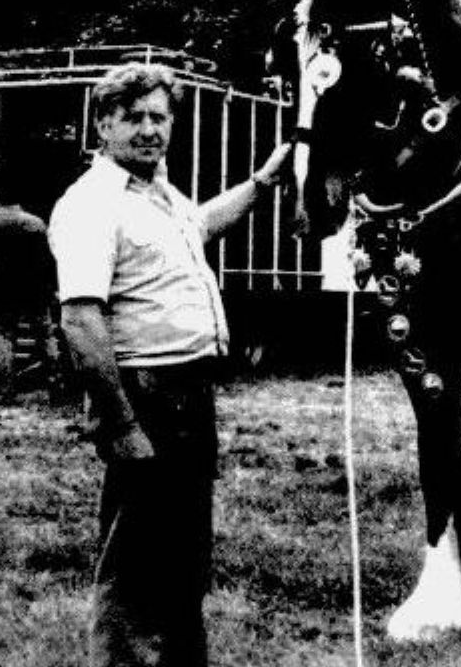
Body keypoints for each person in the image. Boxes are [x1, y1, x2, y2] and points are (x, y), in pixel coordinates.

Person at [48, 62, 291, 667]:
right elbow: (81, 319)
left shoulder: (161, 193)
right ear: (103, 124)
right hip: (145, 395)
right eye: (133, 117)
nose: (150, 129)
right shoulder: (91, 203)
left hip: (189, 395)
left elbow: (202, 225)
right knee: (136, 560)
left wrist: (262, 181)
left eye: (160, 116)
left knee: (182, 558)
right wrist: (123, 425)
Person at [0, 167, 62, 403]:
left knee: (6, 336)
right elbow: (48, 260)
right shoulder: (36, 224)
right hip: (35, 287)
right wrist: (53, 286)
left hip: (4, 287)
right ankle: (55, 387)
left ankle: (6, 390)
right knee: (46, 336)